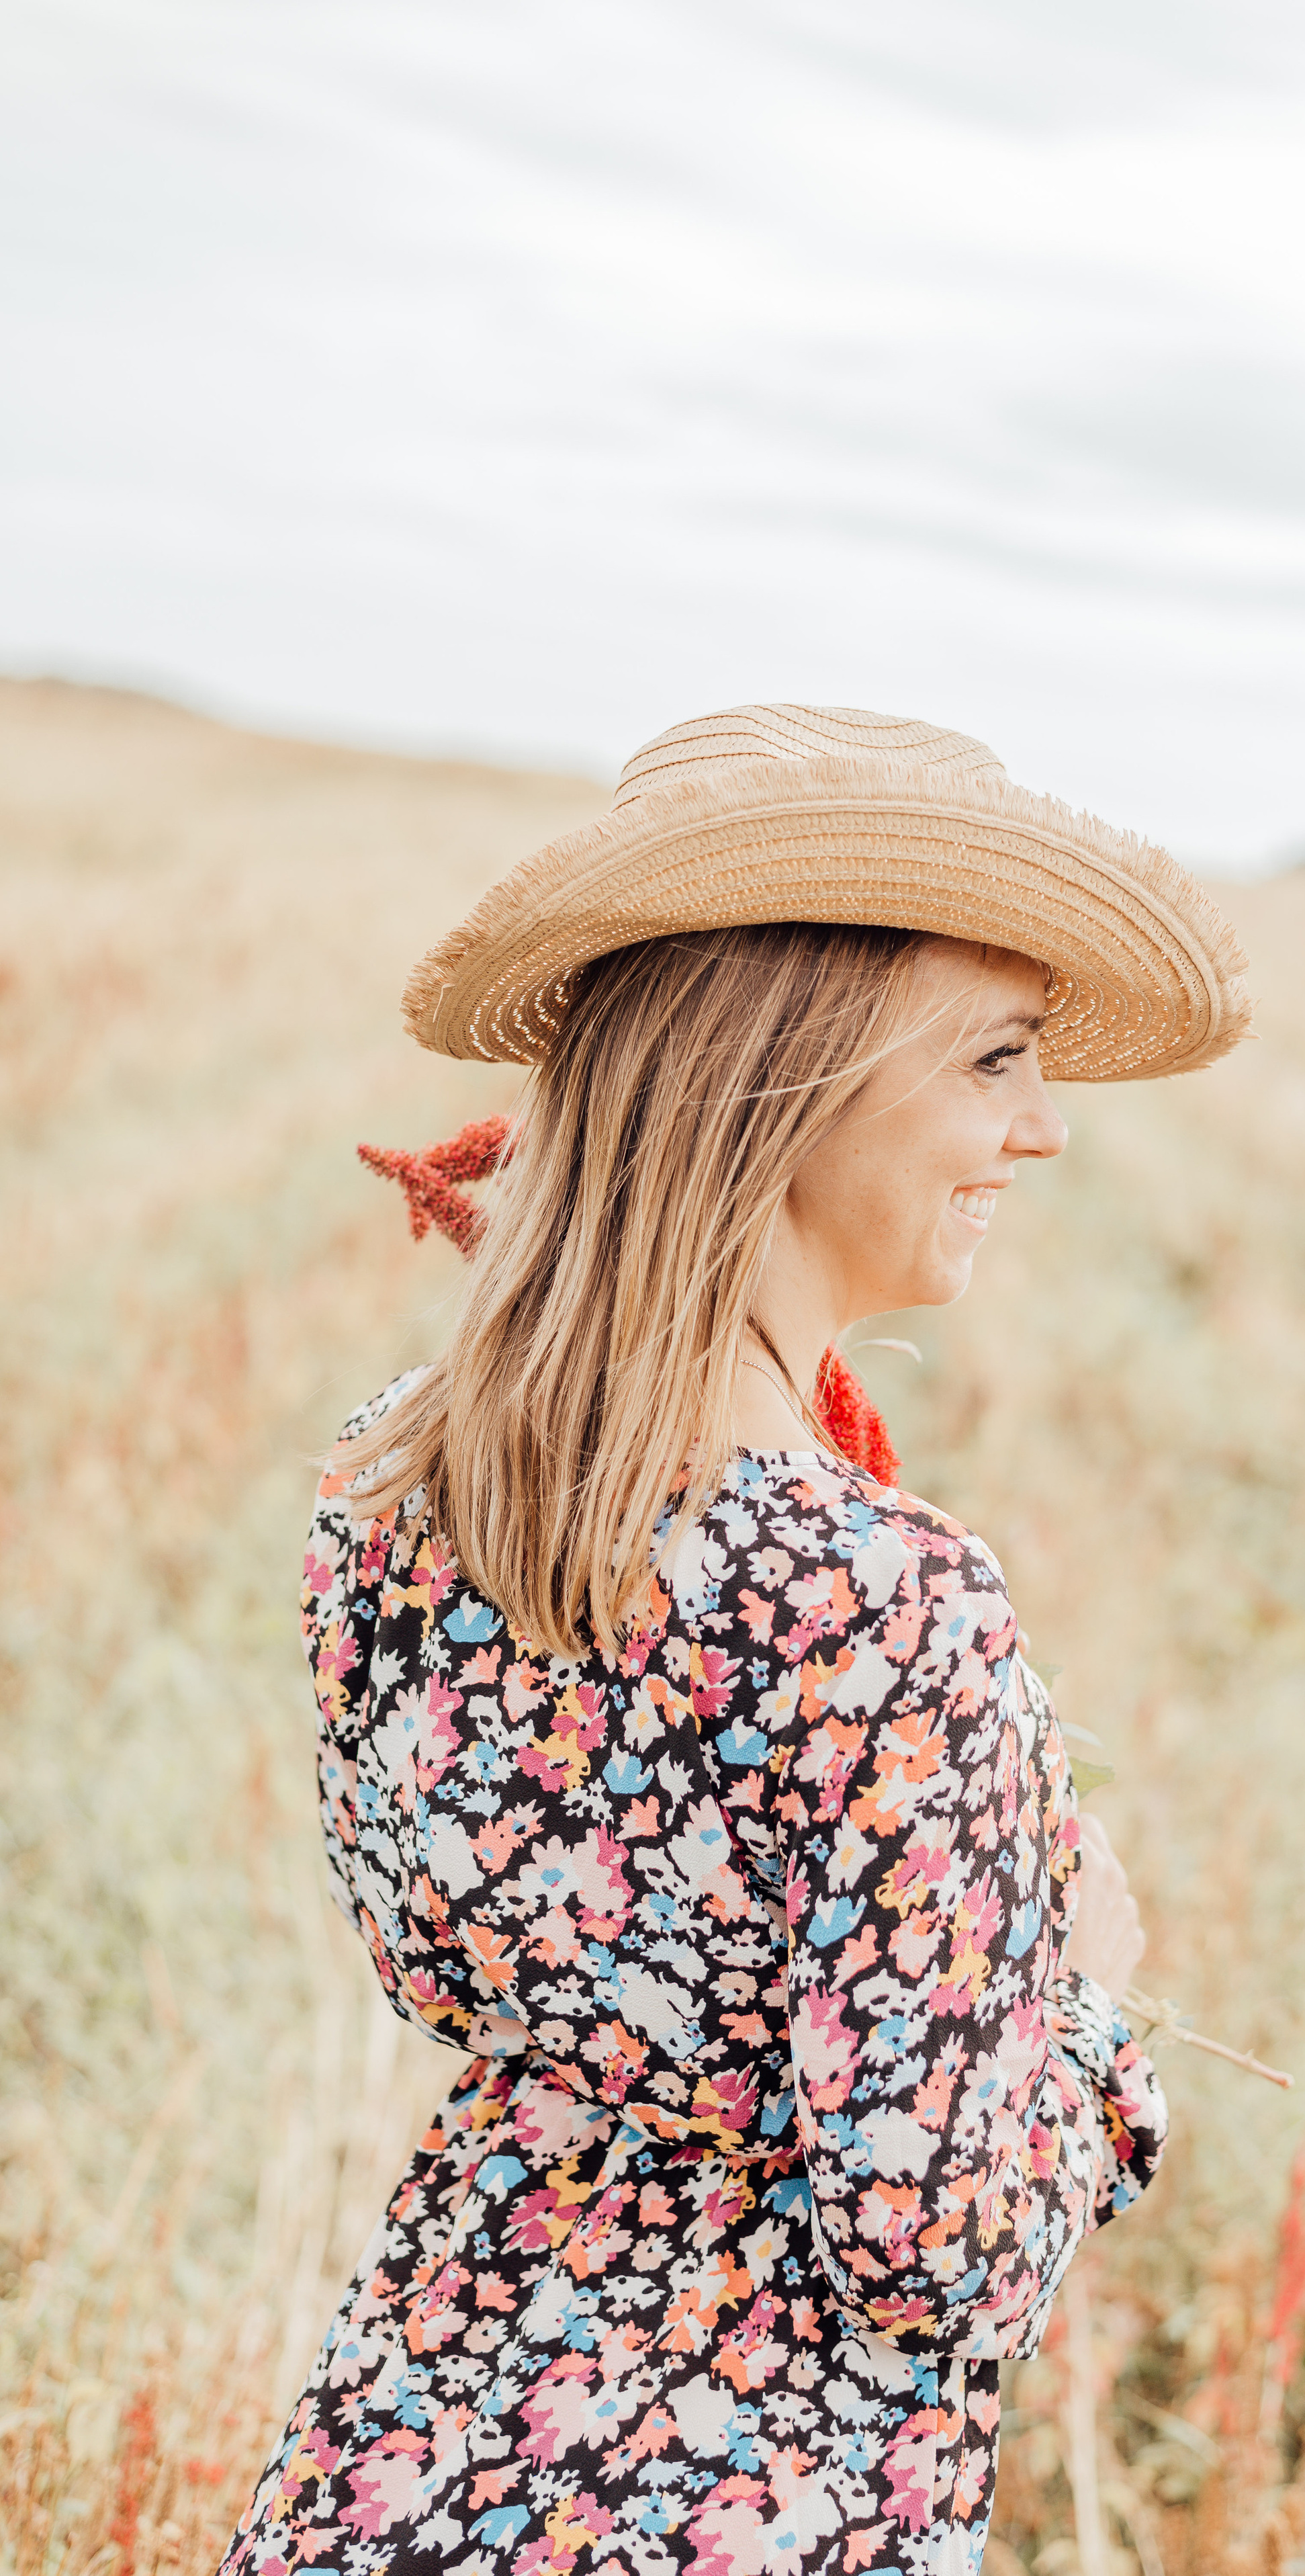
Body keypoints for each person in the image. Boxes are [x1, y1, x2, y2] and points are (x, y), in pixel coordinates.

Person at [222, 705, 1251, 2576]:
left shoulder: (392, 1477)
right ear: (798, 1075)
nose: (1045, 1125)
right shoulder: (885, 1603)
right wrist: (1084, 2000)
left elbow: (437, 1971)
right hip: (743, 2516)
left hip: (402, 2456)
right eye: (1001, 1055)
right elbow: (941, 2256)